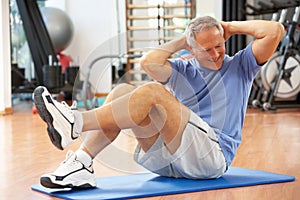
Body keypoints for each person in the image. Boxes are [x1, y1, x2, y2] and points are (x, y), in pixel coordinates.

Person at [34, 16, 284, 189]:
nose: (216, 53)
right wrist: (181, 41)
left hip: (211, 158)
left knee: (153, 92)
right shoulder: (183, 70)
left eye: (218, 45)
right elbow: (147, 62)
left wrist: (227, 26)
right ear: (192, 49)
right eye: (206, 49)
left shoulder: (241, 65)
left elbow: (275, 30)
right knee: (122, 90)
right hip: (168, 161)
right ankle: (81, 164)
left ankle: (75, 122)